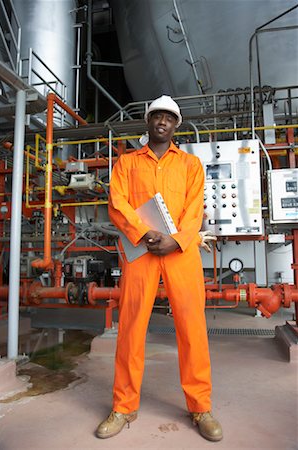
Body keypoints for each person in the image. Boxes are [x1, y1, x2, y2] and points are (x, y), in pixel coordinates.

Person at [96, 95, 222, 442]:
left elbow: (195, 210)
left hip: (181, 254)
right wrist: (145, 232)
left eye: (169, 118)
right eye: (156, 116)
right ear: (148, 122)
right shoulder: (127, 163)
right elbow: (118, 202)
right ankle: (123, 406)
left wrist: (178, 240)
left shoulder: (191, 165)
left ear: (176, 125)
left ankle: (200, 407)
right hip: (142, 251)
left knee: (192, 328)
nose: (162, 122)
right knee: (132, 328)